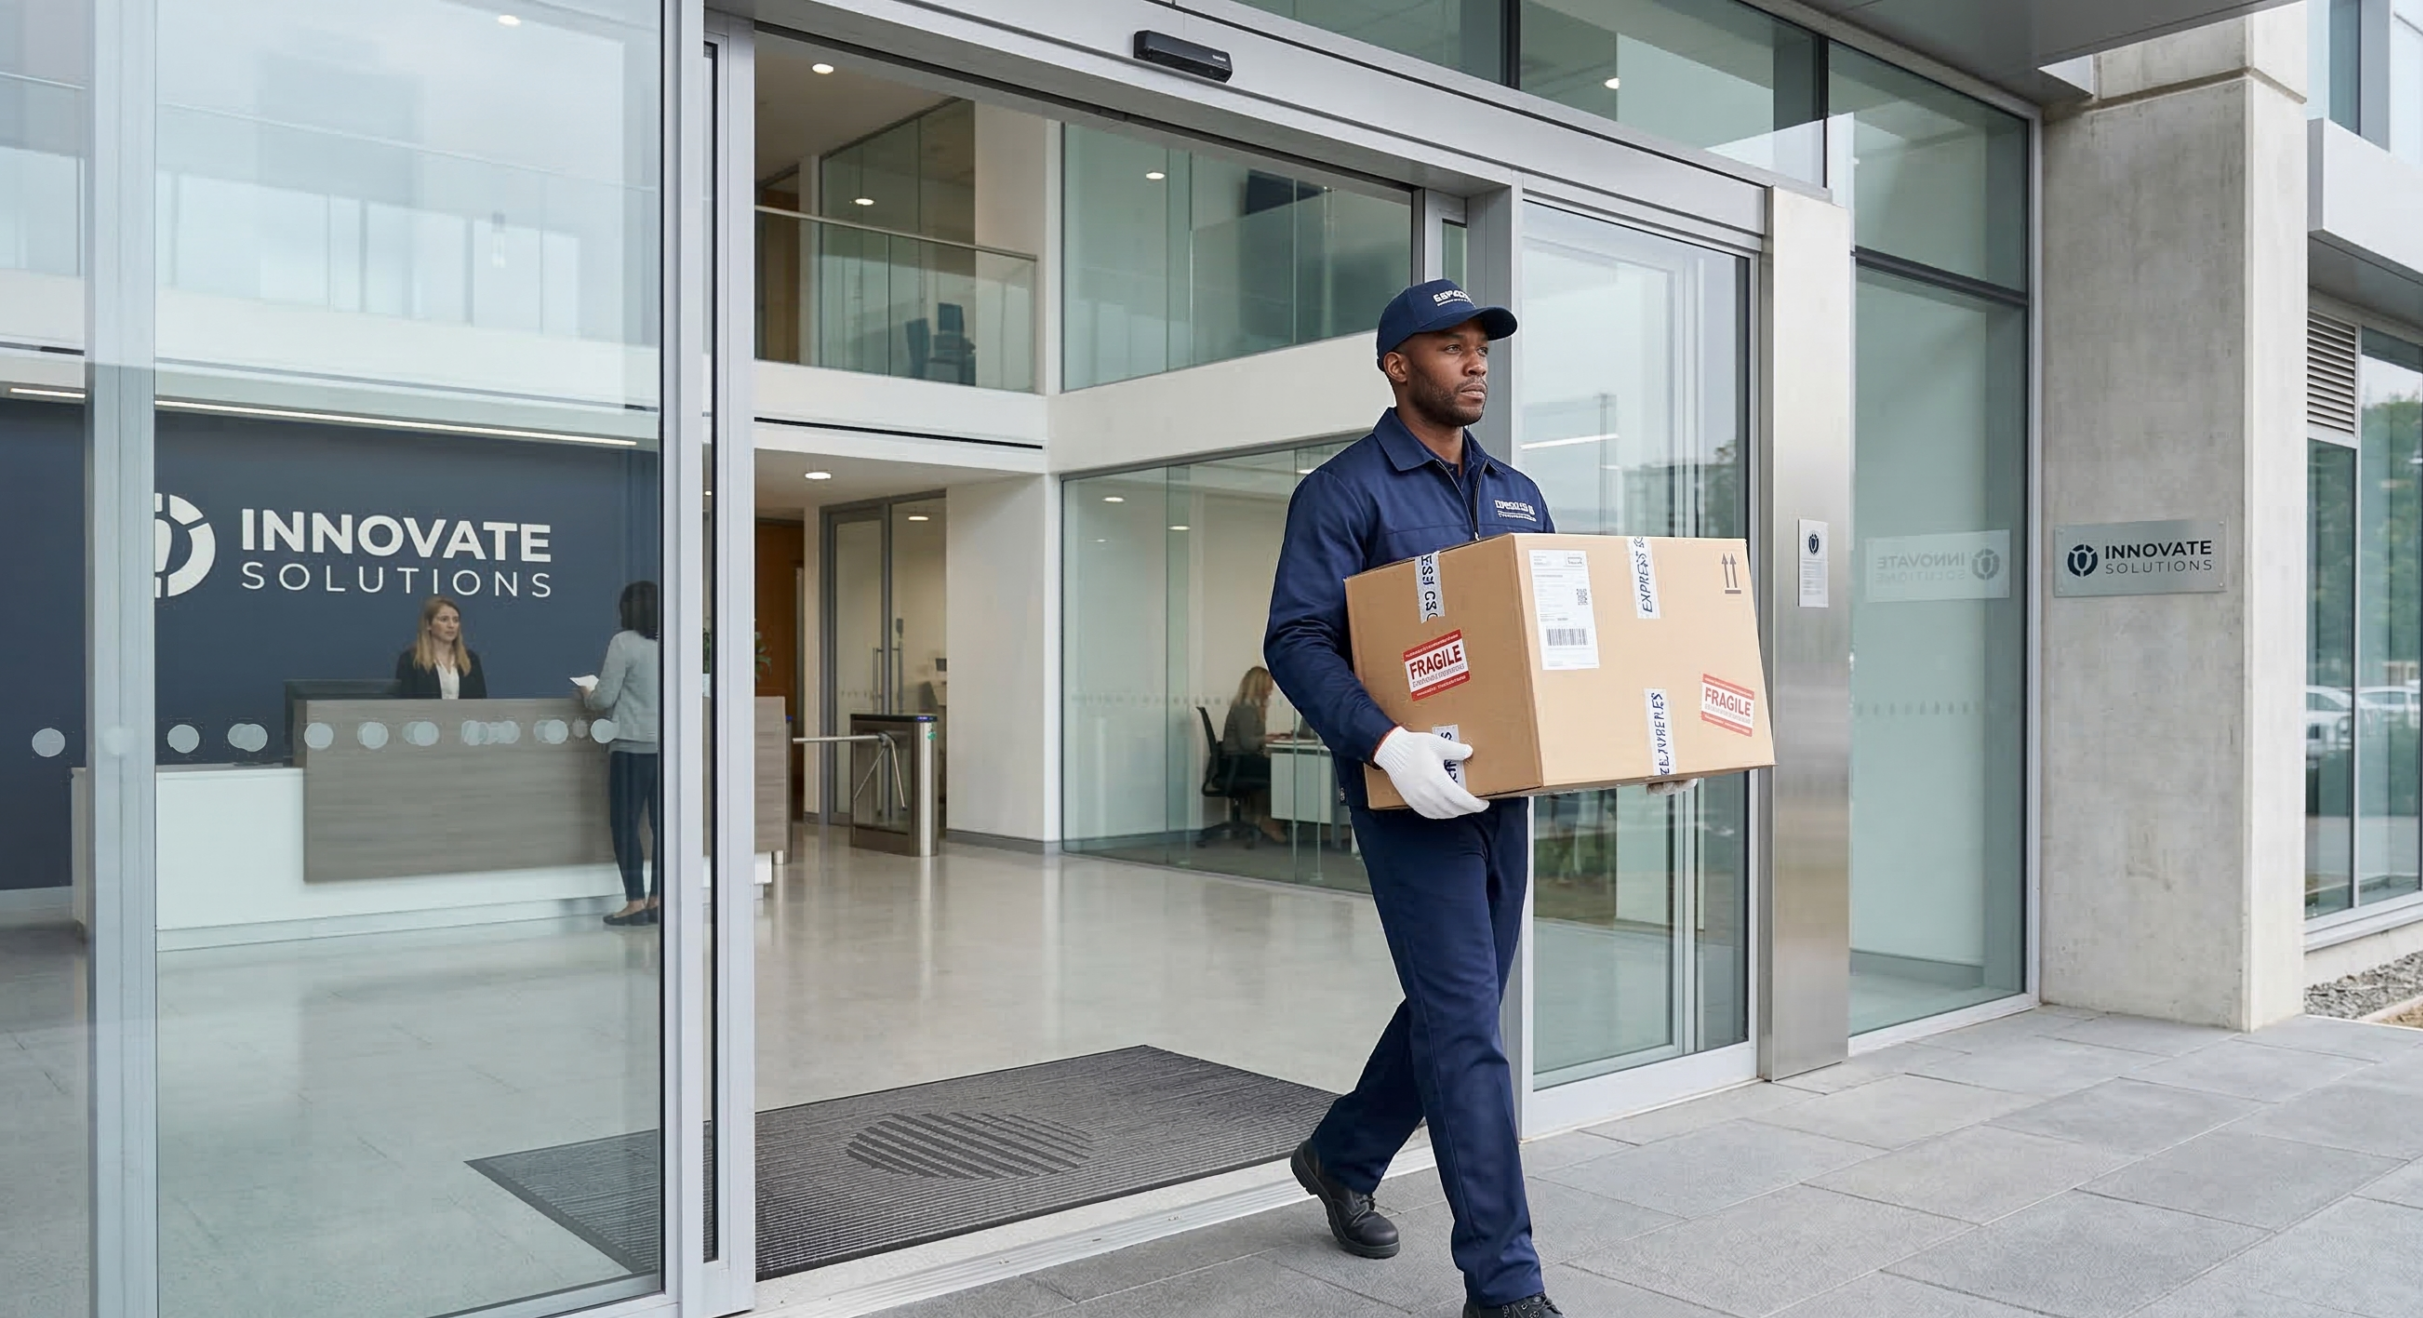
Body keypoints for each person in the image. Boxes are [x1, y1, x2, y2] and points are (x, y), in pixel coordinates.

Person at [1264, 279, 1693, 1318]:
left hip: (1503, 796)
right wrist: (1383, 741)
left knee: (1454, 1011)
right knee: (1464, 1028)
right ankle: (1503, 1288)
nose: (1473, 364)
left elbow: (1559, 645)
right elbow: (1292, 638)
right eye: (1448, 348)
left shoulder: (1516, 494)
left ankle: (1340, 1151)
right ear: (1395, 365)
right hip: (1408, 799)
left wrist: (1637, 729)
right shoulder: (1344, 490)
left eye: (1480, 348)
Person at [582, 582, 661, 927]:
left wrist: (587, 692)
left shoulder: (623, 643)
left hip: (630, 747)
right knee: (663, 827)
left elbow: (602, 699)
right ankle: (659, 898)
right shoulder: (672, 642)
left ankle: (634, 901)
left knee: (625, 825)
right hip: (667, 748)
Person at [1220, 666, 1288, 844]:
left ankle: (1268, 818)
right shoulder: (1246, 708)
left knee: (1280, 767)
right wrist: (1266, 739)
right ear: (1259, 686)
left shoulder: (1252, 707)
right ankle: (1268, 820)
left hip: (1242, 760)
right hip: (1238, 762)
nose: (1271, 690)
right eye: (1268, 685)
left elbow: (1251, 739)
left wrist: (1267, 738)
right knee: (1281, 771)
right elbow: (1248, 743)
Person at [393, 596, 486, 699]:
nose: (451, 625)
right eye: (444, 619)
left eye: (455, 620)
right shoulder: (411, 660)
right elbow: (404, 705)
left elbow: (481, 703)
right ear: (428, 625)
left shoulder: (470, 659)